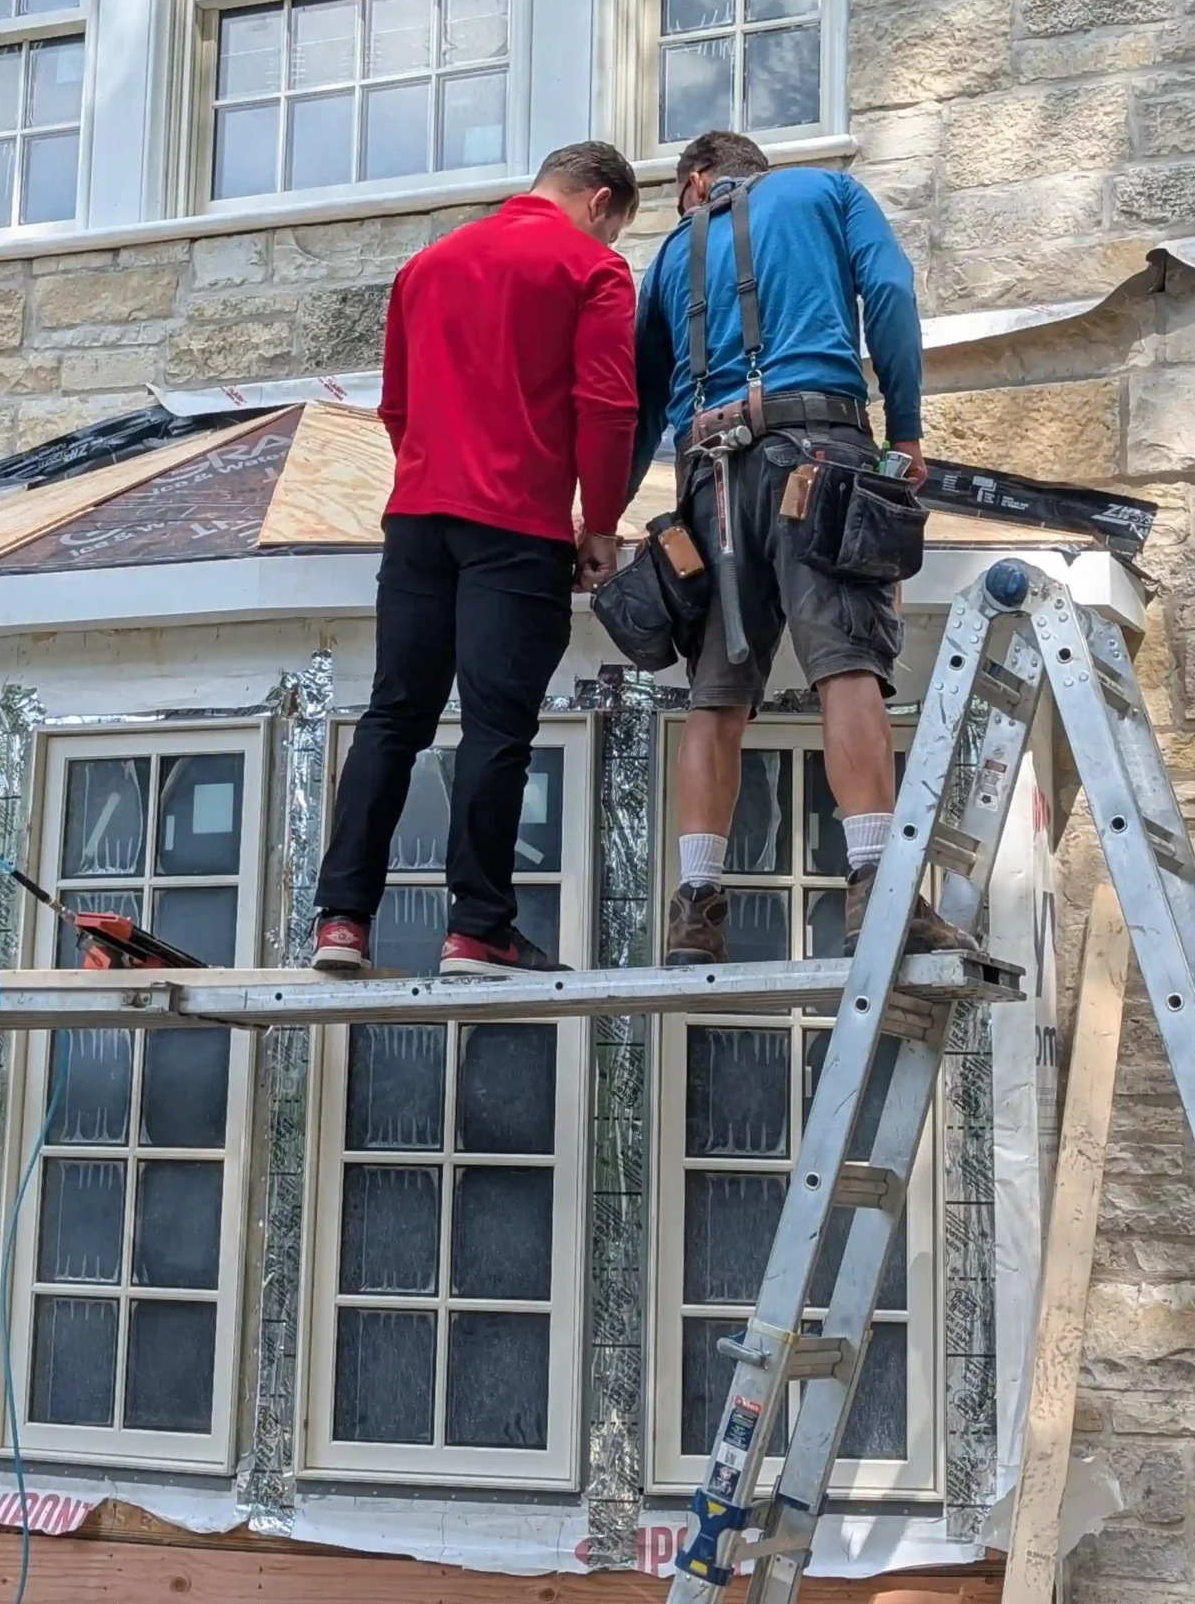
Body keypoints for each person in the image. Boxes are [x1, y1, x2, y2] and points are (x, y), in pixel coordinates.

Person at [630, 129, 975, 967]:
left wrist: (601, 516)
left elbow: (637, 401)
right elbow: (889, 290)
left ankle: (696, 909)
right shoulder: (830, 194)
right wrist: (908, 428)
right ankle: (874, 889)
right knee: (846, 666)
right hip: (816, 454)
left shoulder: (673, 252)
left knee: (716, 696)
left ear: (699, 179)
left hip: (708, 488)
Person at [314, 142, 640, 978]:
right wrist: (598, 525)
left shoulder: (426, 265)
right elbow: (606, 406)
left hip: (418, 517)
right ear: (601, 201)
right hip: (518, 525)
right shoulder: (592, 270)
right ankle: (477, 929)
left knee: (395, 714)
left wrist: (432, 471)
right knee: (497, 724)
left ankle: (342, 921)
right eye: (618, 227)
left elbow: (396, 404)